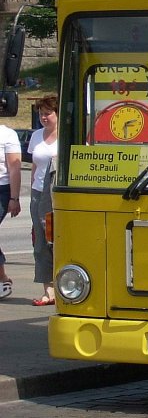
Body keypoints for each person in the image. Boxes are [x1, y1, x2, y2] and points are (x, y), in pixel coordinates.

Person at [28, 95, 58, 305]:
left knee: (55, 241)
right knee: (40, 242)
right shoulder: (36, 135)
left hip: (57, 196)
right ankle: (48, 291)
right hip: (38, 194)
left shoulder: (68, 136)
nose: (44, 117)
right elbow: (34, 167)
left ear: (57, 114)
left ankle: (65, 287)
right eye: (41, 114)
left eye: (48, 113)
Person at [0, 121, 23, 300]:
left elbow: (14, 167)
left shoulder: (7, 134)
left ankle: (2, 279)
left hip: (2, 188)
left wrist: (14, 198)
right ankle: (2, 278)